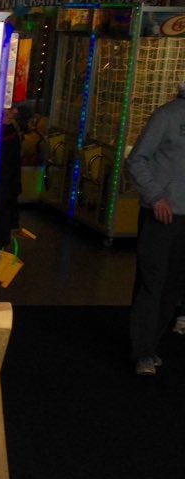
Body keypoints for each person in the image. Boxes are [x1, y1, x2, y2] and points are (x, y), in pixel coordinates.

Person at [125, 83, 185, 375]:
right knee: (153, 283)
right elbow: (136, 159)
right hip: (162, 214)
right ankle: (143, 352)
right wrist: (155, 196)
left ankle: (151, 345)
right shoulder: (167, 116)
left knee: (172, 286)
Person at [0, 106, 23, 268]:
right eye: (9, 108)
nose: (14, 112)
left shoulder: (6, 136)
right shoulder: (12, 136)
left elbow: (13, 179)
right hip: (1, 203)